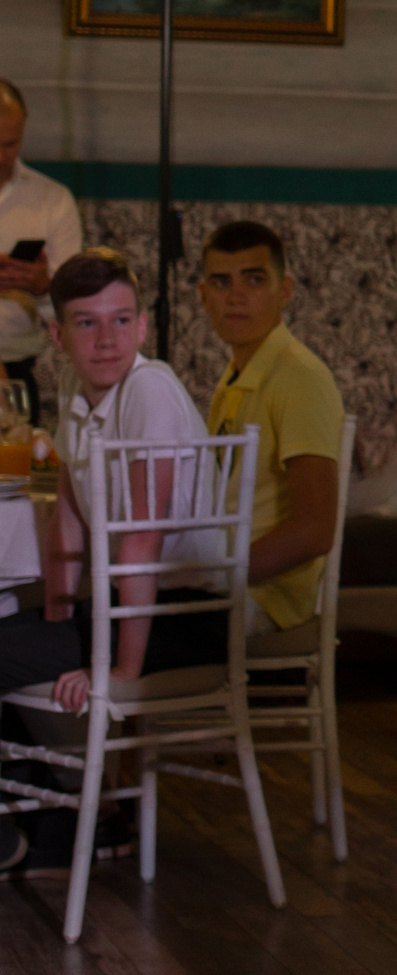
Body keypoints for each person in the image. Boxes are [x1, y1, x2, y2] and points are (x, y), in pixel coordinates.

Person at [0, 253, 226, 868]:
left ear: (143, 326)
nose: (107, 339)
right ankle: (64, 821)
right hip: (126, 610)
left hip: (185, 617)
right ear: (58, 335)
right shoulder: (78, 392)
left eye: (121, 320)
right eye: (87, 323)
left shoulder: (148, 388)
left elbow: (143, 539)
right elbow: (68, 521)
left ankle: (55, 824)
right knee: (11, 636)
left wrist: (120, 671)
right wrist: (54, 626)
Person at [199, 222, 343, 632]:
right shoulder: (234, 374)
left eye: (254, 280)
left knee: (113, 630)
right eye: (221, 282)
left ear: (285, 291)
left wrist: (219, 576)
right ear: (203, 296)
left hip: (264, 597)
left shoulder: (298, 376)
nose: (236, 296)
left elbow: (315, 530)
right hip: (225, 579)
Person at [0, 79, 82, 422]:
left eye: (10, 144)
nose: (1, 157)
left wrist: (43, 287)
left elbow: (77, 309)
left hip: (18, 370)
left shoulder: (53, 201)